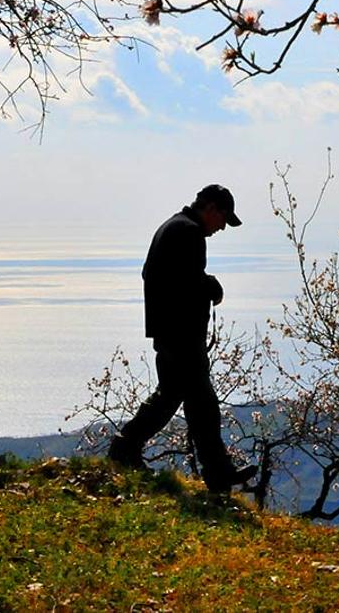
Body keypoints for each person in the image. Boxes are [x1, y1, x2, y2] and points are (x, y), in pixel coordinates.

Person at [107, 184, 258, 493]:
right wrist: (210, 287)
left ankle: (216, 473)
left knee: (184, 401)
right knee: (197, 405)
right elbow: (186, 283)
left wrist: (201, 285)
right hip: (182, 336)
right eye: (223, 220)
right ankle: (214, 473)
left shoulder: (172, 227)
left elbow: (157, 275)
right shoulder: (188, 232)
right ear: (212, 209)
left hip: (170, 333)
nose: (221, 229)